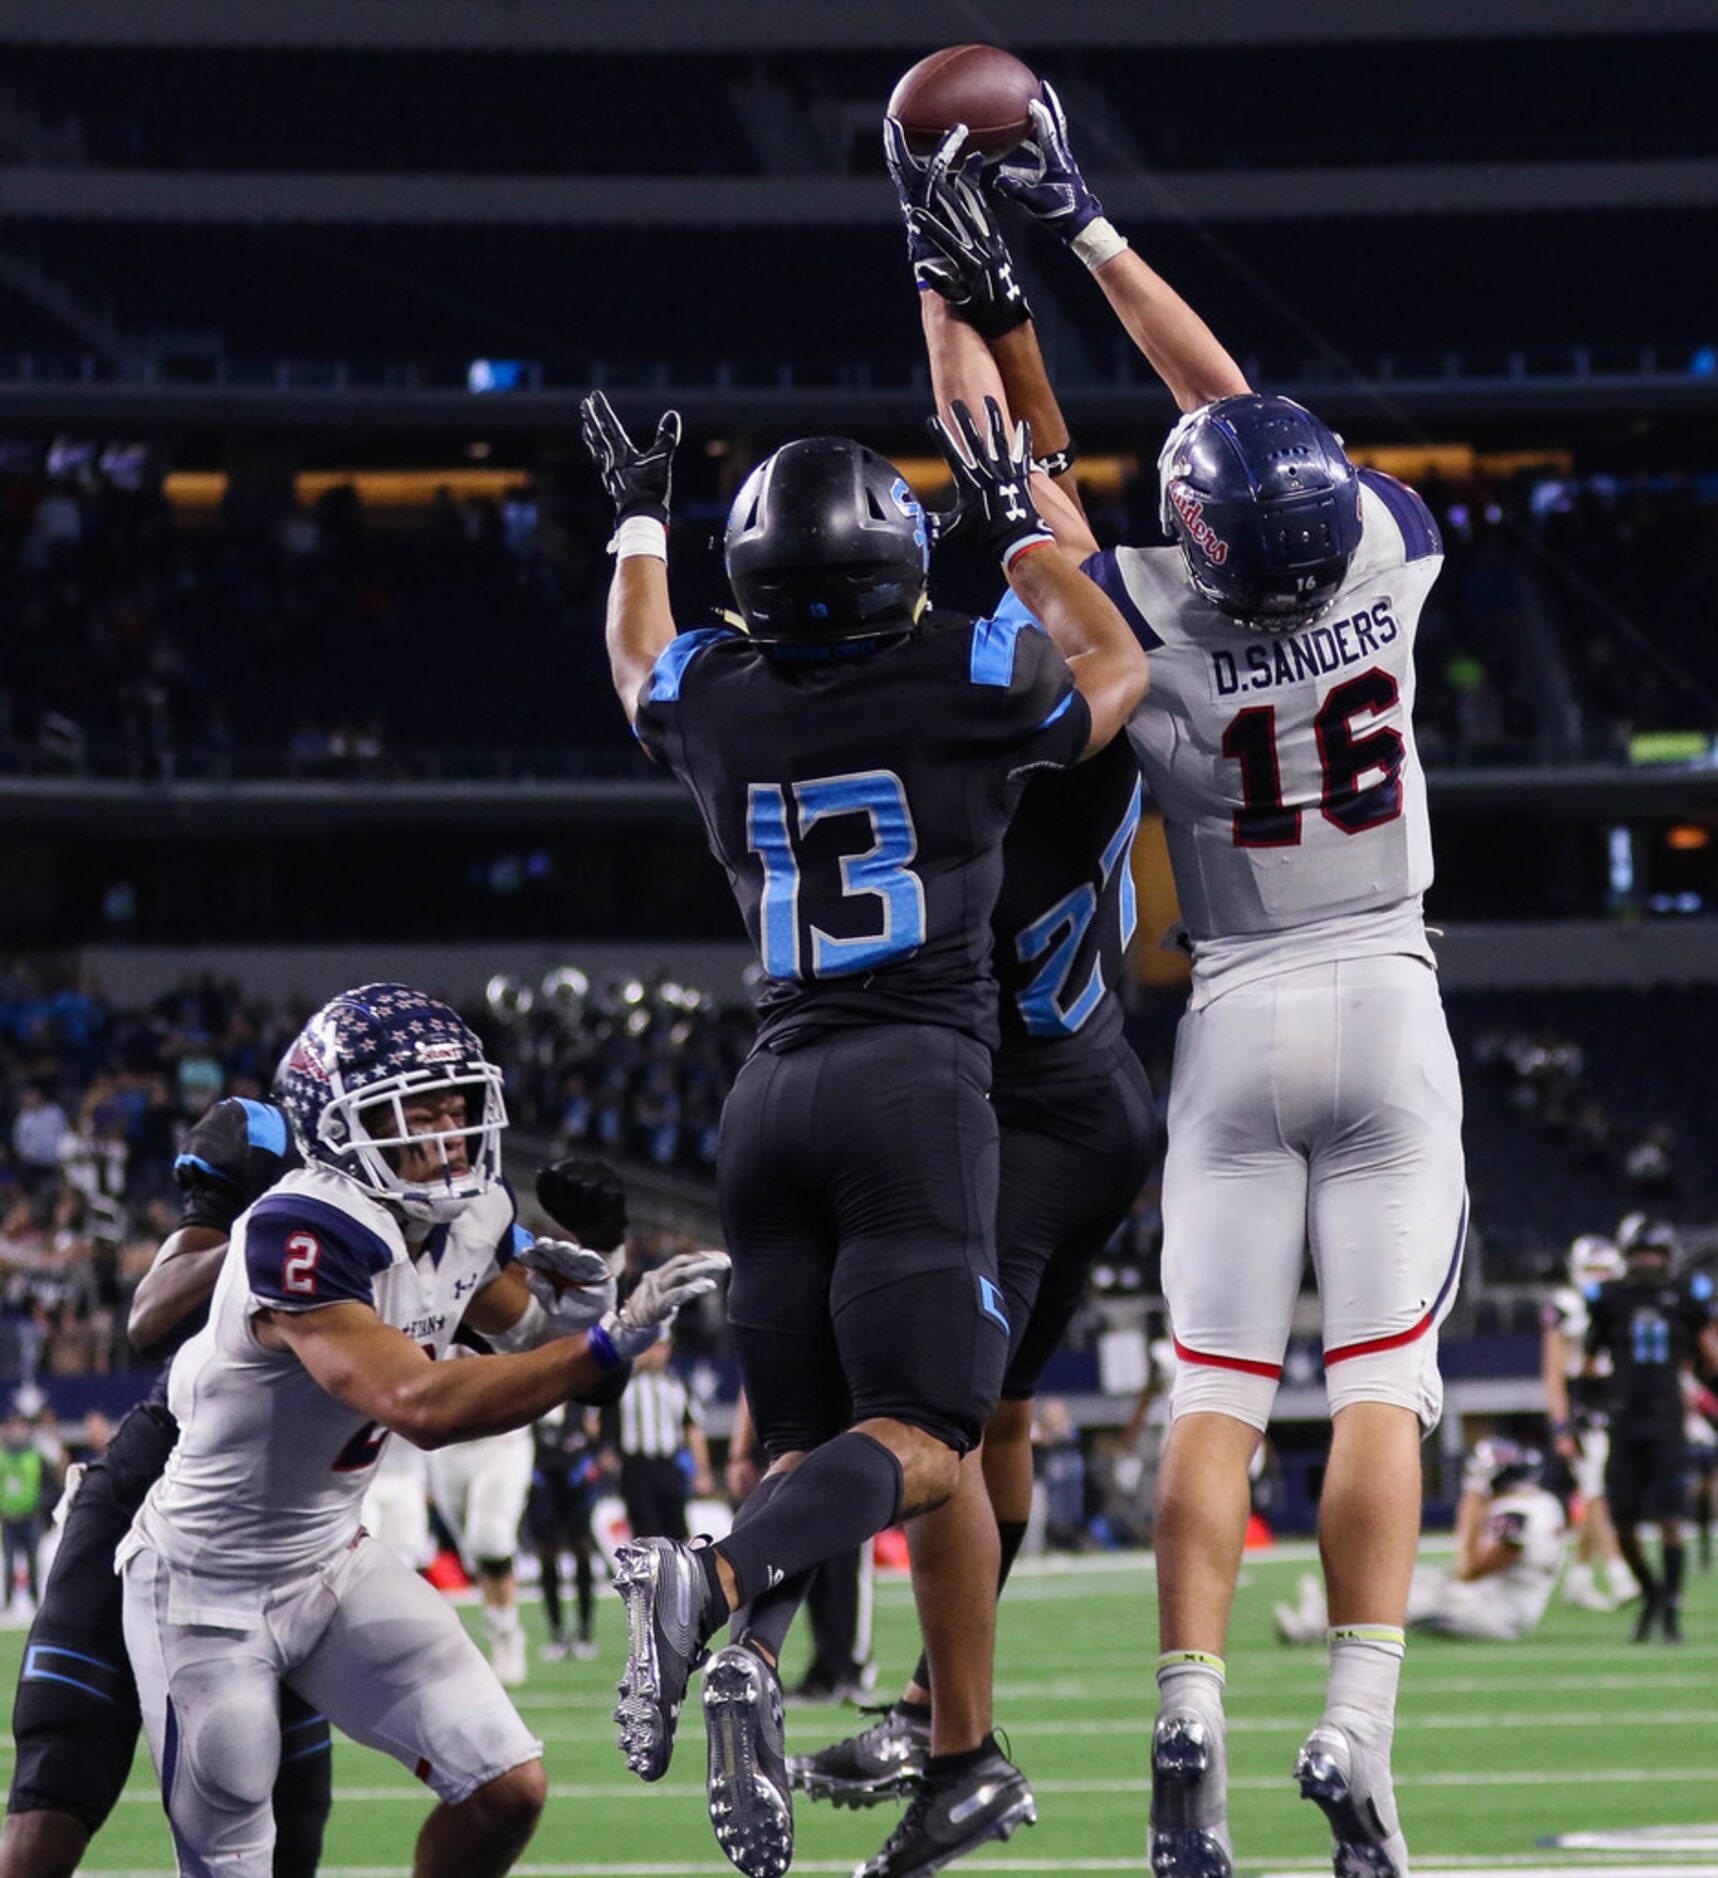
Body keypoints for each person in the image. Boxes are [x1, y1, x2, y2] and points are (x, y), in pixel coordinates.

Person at [895, 97, 1467, 1877]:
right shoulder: (1386, 554)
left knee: (1213, 1393)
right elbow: (1234, 411)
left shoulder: (1132, 622)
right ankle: (1353, 1731)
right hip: (1383, 982)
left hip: (1228, 1013)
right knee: (1379, 1386)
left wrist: (942, 262)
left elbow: (1002, 453)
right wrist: (1085, 230)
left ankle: (1186, 1716)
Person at [580, 388, 1148, 1878]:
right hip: (931, 1083)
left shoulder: (716, 690)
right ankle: (718, 1588)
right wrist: (1017, 524)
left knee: (805, 1437)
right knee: (933, 1439)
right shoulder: (972, 679)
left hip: (768, 1091)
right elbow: (1113, 662)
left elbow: (642, 656)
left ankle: (765, 1655)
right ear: (904, 573)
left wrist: (638, 515)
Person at [115, 984, 727, 1878]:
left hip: (328, 1560)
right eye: (415, 1110)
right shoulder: (298, 1225)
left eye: (457, 1106)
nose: (445, 1134)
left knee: (505, 1788)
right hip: (204, 1585)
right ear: (336, 1124)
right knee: (234, 1854)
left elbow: (544, 1347)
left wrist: (606, 1280)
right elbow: (422, 1405)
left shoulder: (470, 1215)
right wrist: (607, 1338)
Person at [2, 1094, 335, 1878]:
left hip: (274, 1543)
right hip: (138, 1513)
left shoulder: (387, 1223)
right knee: (54, 1789)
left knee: (288, 1831)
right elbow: (148, 1316)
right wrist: (271, 1230)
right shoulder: (274, 1203)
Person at [1276, 1441, 1565, 1643]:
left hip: (1497, 1614)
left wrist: (1470, 1507)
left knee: (1402, 1600)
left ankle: (1317, 1628)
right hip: (1498, 1602)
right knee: (1408, 1581)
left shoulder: (1515, 1515)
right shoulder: (1543, 1503)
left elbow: (1468, 1569)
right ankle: (1323, 1612)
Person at [1582, 1219, 1718, 1641]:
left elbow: (1709, 1353)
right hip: (1624, 1420)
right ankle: (1652, 1592)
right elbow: (1589, 1362)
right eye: (1640, 1252)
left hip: (1666, 1421)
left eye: (1653, 1253)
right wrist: (1588, 1403)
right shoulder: (1609, 1299)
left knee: (1671, 1519)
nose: (1646, 1260)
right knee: (1622, 1524)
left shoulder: (1684, 1298)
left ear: (1667, 1257)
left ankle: (1671, 1610)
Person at [1541, 1234, 1633, 1611]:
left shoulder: (1621, 1305)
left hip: (1615, 1403)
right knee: (1595, 1489)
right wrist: (1561, 1424)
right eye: (1592, 1270)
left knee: (1600, 1488)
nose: (1598, 1278)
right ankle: (1618, 1572)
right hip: (1583, 1407)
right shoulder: (1566, 1305)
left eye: (1604, 1270)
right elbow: (1553, 1372)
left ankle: (1578, 1579)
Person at [427, 1406, 536, 1687]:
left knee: (491, 1541)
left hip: (502, 1440)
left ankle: (506, 1633)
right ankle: (497, 1623)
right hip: (447, 1446)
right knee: (474, 1555)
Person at [605, 1333, 710, 1542]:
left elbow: (693, 1430)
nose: (655, 1354)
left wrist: (702, 1470)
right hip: (636, 1466)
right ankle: (651, 1574)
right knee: (645, 1531)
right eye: (649, 1347)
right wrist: (607, 1451)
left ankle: (677, 1573)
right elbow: (602, 1423)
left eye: (660, 1347)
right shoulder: (623, 1385)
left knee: (677, 1529)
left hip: (668, 1464)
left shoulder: (677, 1386)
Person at [527, 1402, 602, 1661]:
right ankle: (557, 1633)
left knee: (582, 1549)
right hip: (543, 1480)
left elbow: (598, 1436)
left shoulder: (581, 1401)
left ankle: (584, 1631)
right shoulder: (534, 1400)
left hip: (575, 1479)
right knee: (547, 1553)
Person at [0, 1416, 46, 1620]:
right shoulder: (2, 1456)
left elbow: (48, 1485)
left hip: (30, 1517)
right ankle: (8, 1605)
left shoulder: (36, 1456)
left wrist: (42, 1508)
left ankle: (37, 1602)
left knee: (33, 1561)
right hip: (9, 1518)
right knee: (9, 1562)